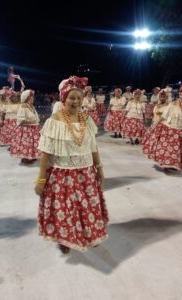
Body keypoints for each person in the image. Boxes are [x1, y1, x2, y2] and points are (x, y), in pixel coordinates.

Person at [35, 75, 108, 254]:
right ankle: (64, 239)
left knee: (87, 206)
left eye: (79, 97)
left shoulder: (87, 120)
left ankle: (90, 233)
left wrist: (99, 168)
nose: (75, 101)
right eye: (71, 97)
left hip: (86, 173)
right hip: (63, 174)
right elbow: (46, 153)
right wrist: (41, 179)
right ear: (63, 98)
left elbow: (93, 146)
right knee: (66, 209)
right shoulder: (55, 121)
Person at [142, 87, 182, 172]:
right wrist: (153, 127)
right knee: (166, 148)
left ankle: (171, 163)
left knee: (175, 149)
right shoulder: (172, 104)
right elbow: (163, 117)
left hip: (179, 131)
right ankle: (165, 164)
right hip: (168, 129)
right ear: (180, 94)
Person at [10, 89, 41, 164]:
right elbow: (20, 120)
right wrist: (31, 122)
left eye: (32, 97)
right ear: (27, 98)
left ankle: (31, 156)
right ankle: (26, 158)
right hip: (27, 130)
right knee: (27, 144)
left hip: (34, 129)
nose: (33, 98)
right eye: (31, 97)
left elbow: (35, 117)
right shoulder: (23, 107)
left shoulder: (32, 107)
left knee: (33, 144)